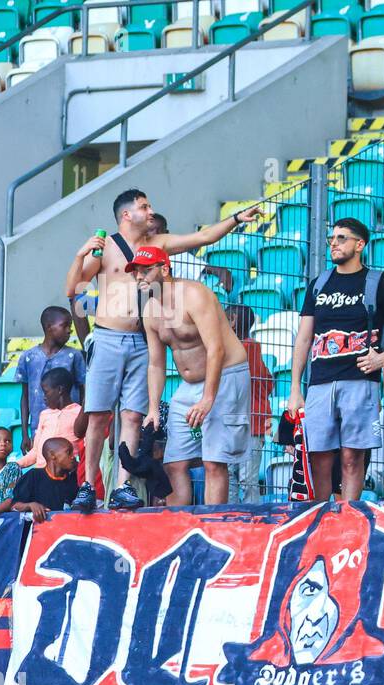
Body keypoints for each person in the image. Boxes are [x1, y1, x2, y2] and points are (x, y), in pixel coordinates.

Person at [63, 188, 261, 509]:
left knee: (135, 418)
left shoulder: (160, 250)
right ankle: (88, 486)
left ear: (164, 268)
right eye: (144, 206)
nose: (151, 211)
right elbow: (73, 291)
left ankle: (124, 488)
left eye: (150, 206)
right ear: (127, 214)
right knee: (102, 417)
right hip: (112, 338)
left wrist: (237, 218)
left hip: (162, 349)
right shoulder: (106, 248)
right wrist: (79, 255)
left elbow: (206, 237)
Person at [287, 218, 384, 502]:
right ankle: (321, 517)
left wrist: (383, 359)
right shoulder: (318, 284)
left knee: (351, 457)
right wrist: (295, 387)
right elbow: (304, 338)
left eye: (342, 238)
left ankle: (348, 517)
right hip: (320, 383)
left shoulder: (377, 282)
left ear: (360, 245)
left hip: (360, 383)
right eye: (331, 238)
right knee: (319, 458)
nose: (334, 243)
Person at [133, 246, 251, 507]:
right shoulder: (150, 310)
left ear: (164, 269)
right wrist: (153, 408)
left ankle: (212, 527)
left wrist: (209, 399)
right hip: (189, 385)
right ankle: (182, 530)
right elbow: (155, 364)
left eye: (146, 270)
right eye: (136, 272)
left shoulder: (195, 295)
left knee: (213, 462)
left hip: (226, 376)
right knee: (174, 463)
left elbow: (216, 349)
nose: (140, 277)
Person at [14, 306, 86, 456]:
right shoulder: (29, 357)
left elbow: (84, 393)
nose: (69, 331)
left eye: (70, 327)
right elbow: (25, 397)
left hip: (70, 427)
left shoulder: (74, 356)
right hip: (40, 428)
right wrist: (25, 434)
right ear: (48, 327)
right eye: (64, 326)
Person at [226, 304, 271, 504]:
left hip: (250, 424)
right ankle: (236, 515)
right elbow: (269, 382)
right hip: (239, 421)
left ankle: (251, 518)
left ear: (233, 321)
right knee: (233, 477)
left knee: (244, 479)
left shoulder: (246, 348)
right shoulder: (252, 348)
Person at [151, 213, 236, 295]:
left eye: (159, 231)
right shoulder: (141, 256)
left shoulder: (178, 255)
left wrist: (223, 273)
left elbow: (216, 270)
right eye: (151, 230)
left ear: (166, 233)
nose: (155, 235)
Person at [17, 366, 84, 469]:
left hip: (66, 474)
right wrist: (16, 465)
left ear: (60, 390)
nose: (44, 397)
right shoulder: (45, 415)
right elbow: (35, 451)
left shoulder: (79, 413)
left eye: (46, 392)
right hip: (41, 473)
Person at [11, 436, 79, 522]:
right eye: (69, 452)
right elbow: (14, 506)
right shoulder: (33, 476)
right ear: (52, 455)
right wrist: (30, 505)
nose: (73, 457)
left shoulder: (73, 479)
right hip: (38, 532)